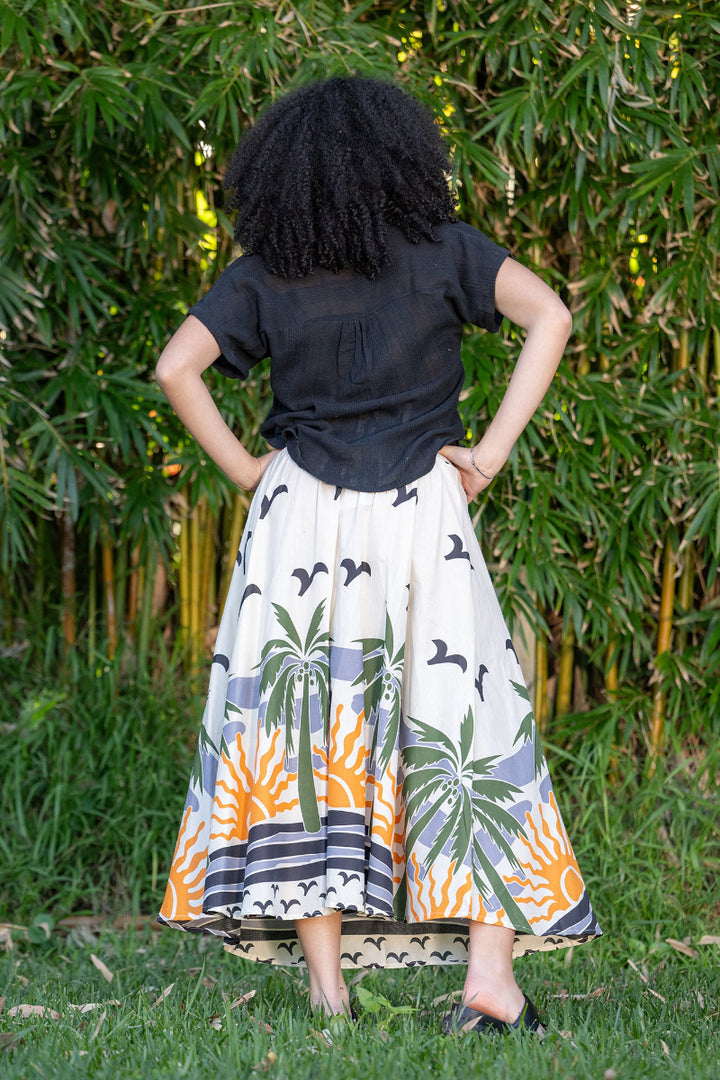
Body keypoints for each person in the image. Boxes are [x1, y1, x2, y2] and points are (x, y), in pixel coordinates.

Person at [156, 75, 600, 1035]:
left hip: (299, 524)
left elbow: (174, 368)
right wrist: (489, 451)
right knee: (468, 723)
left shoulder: (265, 271)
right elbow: (551, 316)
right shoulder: (447, 253)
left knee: (313, 735)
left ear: (285, 173)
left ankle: (329, 990)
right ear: (404, 160)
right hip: (419, 518)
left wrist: (243, 469)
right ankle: (490, 977)